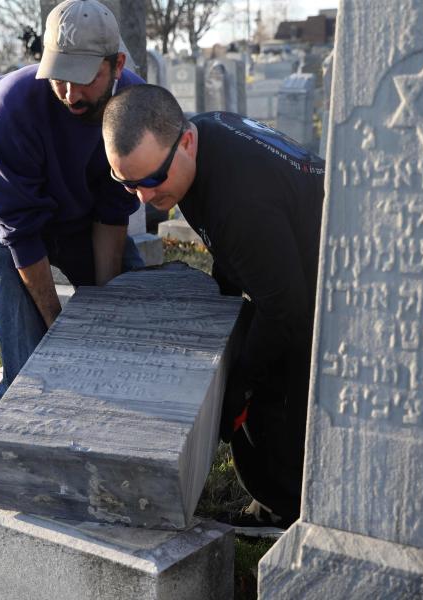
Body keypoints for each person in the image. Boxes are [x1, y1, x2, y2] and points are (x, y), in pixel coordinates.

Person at [102, 84, 326, 527]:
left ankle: (289, 510)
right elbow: (231, 254)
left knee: (272, 393)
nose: (143, 197)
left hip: (326, 287)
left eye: (152, 180)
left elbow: (285, 310)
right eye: (126, 183)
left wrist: (239, 384)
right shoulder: (203, 137)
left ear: (184, 142)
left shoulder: (241, 202)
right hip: (289, 267)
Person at [0, 0, 143, 399]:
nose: (70, 93)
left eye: (84, 78)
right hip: (5, 218)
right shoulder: (8, 110)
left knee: (129, 303)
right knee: (31, 355)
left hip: (82, 214)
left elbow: (113, 211)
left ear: (116, 65)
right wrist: (55, 324)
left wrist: (103, 304)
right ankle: (24, 402)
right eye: (59, 76)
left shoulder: (132, 104)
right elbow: (20, 232)